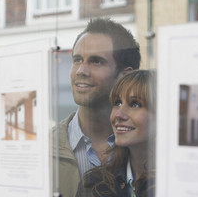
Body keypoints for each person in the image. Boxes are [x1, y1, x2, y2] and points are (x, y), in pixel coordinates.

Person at [53, 17, 141, 197]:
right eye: (77, 60)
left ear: (126, 76)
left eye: (96, 61)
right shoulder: (45, 149)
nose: (81, 71)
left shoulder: (150, 148)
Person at [76, 70, 156, 197]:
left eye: (135, 104)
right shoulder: (95, 183)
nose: (118, 114)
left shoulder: (179, 183)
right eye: (117, 103)